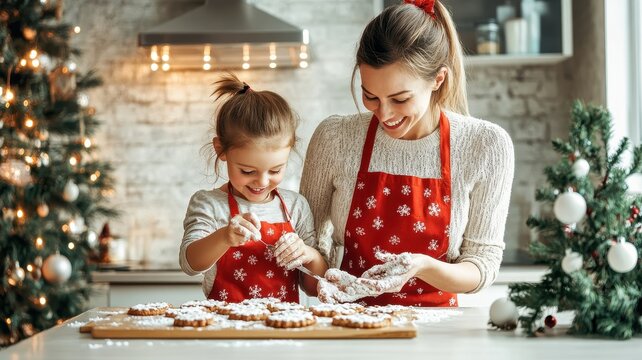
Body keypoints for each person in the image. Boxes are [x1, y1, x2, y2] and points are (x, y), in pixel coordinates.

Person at [300, 0, 514, 306]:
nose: (384, 114)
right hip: (350, 327)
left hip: (439, 336)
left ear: (437, 80)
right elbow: (310, 255)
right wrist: (316, 271)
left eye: (400, 99)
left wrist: (422, 266)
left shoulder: (485, 146)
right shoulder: (335, 138)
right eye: (370, 96)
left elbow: (482, 265)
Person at [180, 73, 328, 303]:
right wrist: (224, 237)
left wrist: (308, 255)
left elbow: (313, 287)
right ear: (221, 150)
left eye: (276, 170)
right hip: (225, 328)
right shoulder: (209, 204)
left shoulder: (295, 206)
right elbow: (190, 264)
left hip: (283, 329)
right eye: (247, 171)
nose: (262, 182)